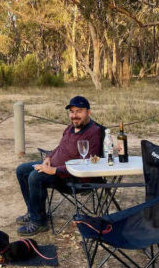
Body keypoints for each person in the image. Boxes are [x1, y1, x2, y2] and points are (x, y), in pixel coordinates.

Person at [15, 95, 101, 236]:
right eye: (72, 112)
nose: (74, 115)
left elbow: (86, 164)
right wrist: (49, 157)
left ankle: (39, 222)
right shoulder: (70, 128)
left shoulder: (93, 133)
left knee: (35, 177)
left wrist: (54, 170)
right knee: (22, 170)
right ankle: (32, 212)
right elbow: (60, 147)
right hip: (55, 168)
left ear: (88, 112)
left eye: (79, 111)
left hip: (71, 177)